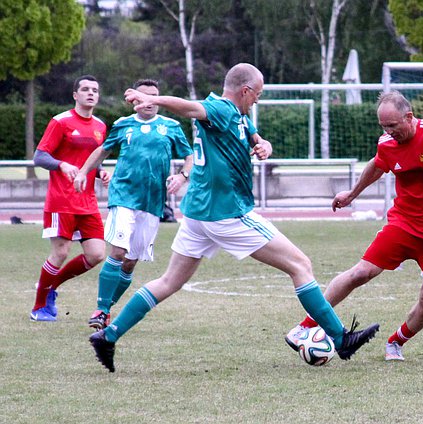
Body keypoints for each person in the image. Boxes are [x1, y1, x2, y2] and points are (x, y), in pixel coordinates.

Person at [88, 63, 379, 372]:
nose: (258, 100)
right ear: (244, 91)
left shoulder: (237, 113)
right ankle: (340, 338)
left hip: (199, 212)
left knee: (170, 281)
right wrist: (157, 101)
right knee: (300, 265)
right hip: (225, 212)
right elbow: (191, 108)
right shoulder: (220, 109)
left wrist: (261, 143)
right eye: (258, 95)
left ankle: (109, 335)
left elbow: (250, 132)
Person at [286, 90, 423, 361]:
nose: (388, 132)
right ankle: (305, 327)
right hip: (404, 223)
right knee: (361, 272)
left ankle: (396, 342)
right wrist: (352, 193)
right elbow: (377, 165)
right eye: (383, 126)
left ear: (409, 117)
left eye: (392, 126)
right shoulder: (387, 143)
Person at [74, 79, 193, 330]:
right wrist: (84, 171)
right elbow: (102, 151)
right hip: (123, 195)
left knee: (130, 261)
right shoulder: (122, 125)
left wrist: (182, 176)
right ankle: (101, 309)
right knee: (117, 252)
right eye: (145, 96)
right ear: (135, 100)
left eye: (155, 96)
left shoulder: (171, 126)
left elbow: (190, 156)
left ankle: (107, 309)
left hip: (152, 201)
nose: (151, 101)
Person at [30, 75, 108, 322]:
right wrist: (61, 165)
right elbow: (39, 157)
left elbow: (94, 160)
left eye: (94, 90)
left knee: (96, 255)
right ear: (75, 95)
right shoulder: (60, 121)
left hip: (87, 202)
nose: (90, 93)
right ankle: (39, 307)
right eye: (85, 89)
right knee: (61, 252)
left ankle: (53, 286)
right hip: (61, 201)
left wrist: (101, 172)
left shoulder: (100, 126)